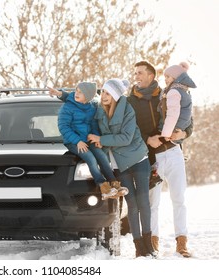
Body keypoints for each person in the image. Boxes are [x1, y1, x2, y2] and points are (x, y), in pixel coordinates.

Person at [128, 61, 194, 257]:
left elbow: (188, 118)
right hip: (149, 157)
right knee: (151, 203)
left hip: (174, 152)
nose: (137, 76)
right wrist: (147, 139)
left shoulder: (169, 93)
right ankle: (153, 242)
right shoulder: (130, 101)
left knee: (179, 199)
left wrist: (184, 134)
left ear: (151, 75)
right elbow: (129, 130)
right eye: (136, 73)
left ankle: (181, 242)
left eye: (140, 73)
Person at [87, 78, 157, 258]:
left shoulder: (128, 111)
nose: (103, 96)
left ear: (116, 96)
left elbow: (125, 138)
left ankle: (149, 246)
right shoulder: (99, 112)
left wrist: (102, 140)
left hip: (138, 159)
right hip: (120, 163)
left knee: (143, 203)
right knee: (131, 204)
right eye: (102, 92)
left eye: (108, 93)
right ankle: (139, 247)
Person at [49, 83, 128, 199]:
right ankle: (103, 186)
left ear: (88, 96)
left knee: (102, 156)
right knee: (90, 158)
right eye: (76, 90)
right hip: (73, 141)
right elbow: (63, 127)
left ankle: (114, 184)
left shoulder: (92, 107)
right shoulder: (67, 107)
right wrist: (77, 141)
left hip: (87, 139)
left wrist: (96, 138)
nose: (76, 93)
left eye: (80, 92)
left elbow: (94, 124)